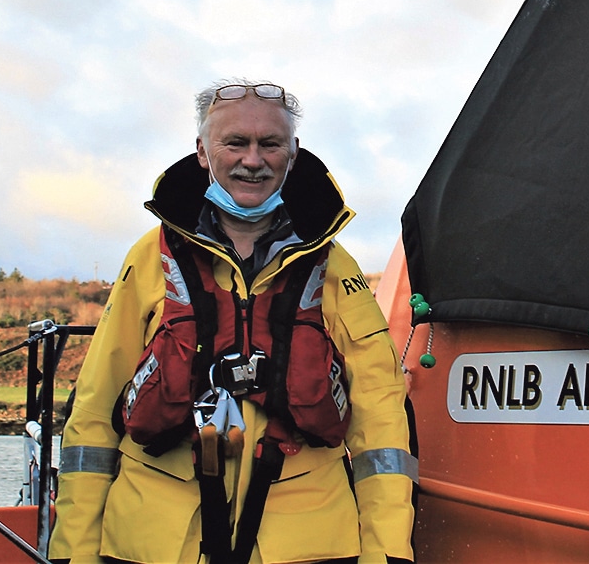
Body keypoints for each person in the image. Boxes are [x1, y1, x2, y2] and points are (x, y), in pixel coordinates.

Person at [51, 81, 416, 564]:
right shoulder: (150, 257)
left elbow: (381, 424)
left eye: (270, 144)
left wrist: (387, 554)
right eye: (235, 143)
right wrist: (74, 551)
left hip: (305, 543)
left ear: (293, 152)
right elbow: (94, 417)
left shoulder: (335, 266)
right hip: (154, 542)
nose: (253, 160)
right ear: (203, 152)